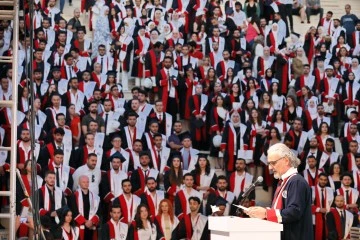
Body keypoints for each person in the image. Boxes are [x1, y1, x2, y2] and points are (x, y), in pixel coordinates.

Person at [246, 143, 313, 240]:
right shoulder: (284, 181)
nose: (269, 167)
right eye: (269, 163)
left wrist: (266, 213)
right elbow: (282, 209)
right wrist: (262, 212)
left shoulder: (296, 181)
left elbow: (294, 212)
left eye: (273, 163)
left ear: (286, 160)